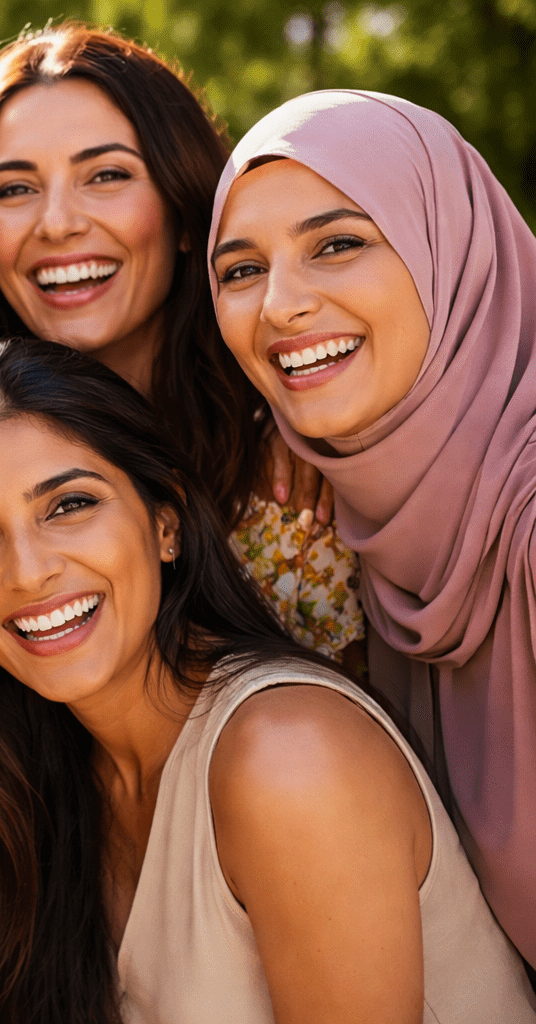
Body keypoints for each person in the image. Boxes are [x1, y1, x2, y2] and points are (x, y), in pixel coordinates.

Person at [0, 340, 535, 1023]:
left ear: (167, 522)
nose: (29, 571)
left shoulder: (287, 757)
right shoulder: (37, 781)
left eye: (69, 505)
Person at [0, 23, 363, 662]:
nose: (59, 222)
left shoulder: (297, 466)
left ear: (182, 213)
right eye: (15, 188)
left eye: (106, 176)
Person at [209, 88, 536, 967]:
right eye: (240, 270)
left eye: (339, 244)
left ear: (453, 256)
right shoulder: (359, 523)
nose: (279, 305)